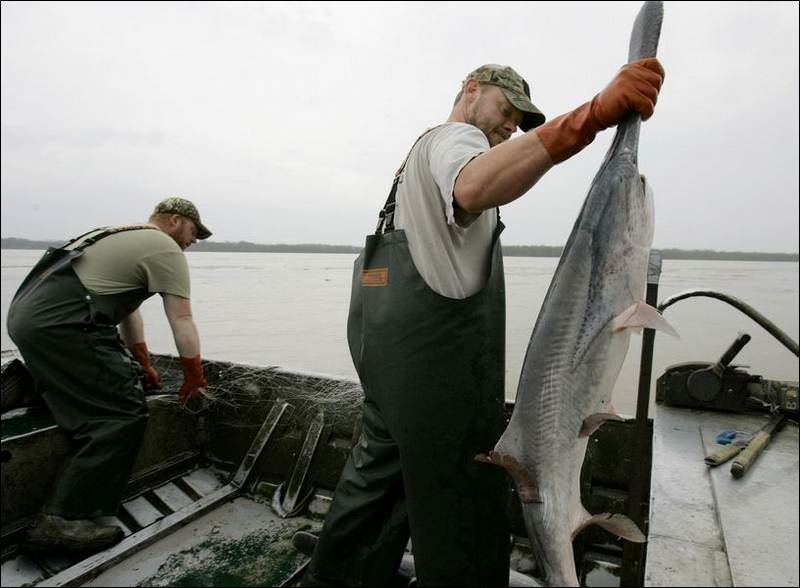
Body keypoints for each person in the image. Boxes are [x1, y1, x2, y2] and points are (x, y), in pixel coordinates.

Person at [302, 58, 664, 586]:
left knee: (378, 486)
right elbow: (472, 188)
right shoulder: (456, 141)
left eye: (521, 121)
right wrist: (590, 116)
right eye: (506, 108)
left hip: (391, 370)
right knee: (464, 511)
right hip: (438, 380)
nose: (510, 126)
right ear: (472, 90)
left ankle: (336, 579)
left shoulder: (418, 165)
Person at [7, 196, 212, 554]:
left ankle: (22, 387)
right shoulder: (165, 247)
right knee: (120, 413)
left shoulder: (115, 234)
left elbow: (127, 313)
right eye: (195, 232)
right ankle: (63, 520)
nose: (194, 241)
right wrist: (194, 377)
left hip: (30, 317)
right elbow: (181, 319)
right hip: (67, 324)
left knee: (122, 376)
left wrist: (143, 363)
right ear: (176, 221)